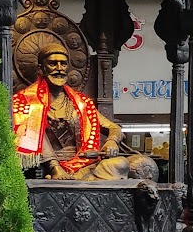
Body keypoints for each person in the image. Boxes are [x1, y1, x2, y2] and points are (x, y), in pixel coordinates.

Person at [12, 42, 150, 180]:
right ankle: (56, 170)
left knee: (120, 163)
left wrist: (112, 141)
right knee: (31, 124)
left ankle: (76, 179)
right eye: (53, 64)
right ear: (41, 69)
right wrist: (55, 166)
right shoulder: (25, 101)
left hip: (82, 165)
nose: (59, 68)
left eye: (63, 64)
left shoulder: (81, 103)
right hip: (46, 165)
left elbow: (114, 127)